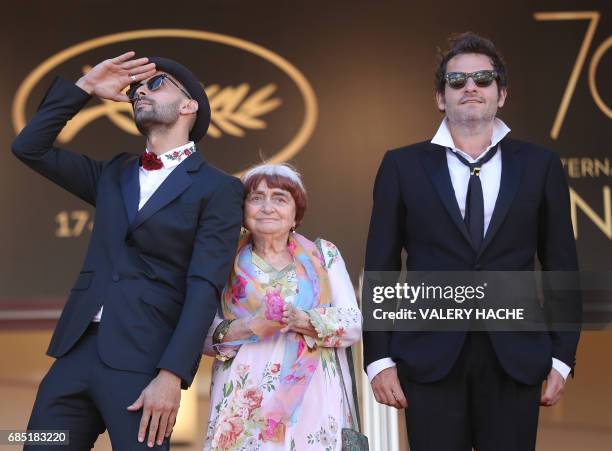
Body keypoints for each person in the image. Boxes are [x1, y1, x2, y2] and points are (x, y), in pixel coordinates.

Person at [12, 52, 244, 450]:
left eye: (155, 84)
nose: (139, 92)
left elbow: (204, 287)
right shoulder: (114, 172)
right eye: (136, 88)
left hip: (144, 363)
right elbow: (29, 147)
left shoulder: (219, 189)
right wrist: (84, 87)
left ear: (190, 105)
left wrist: (172, 375)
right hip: (74, 353)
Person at [363, 33, 581, 451]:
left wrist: (561, 357)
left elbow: (561, 267)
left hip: (515, 357)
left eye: (483, 78)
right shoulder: (401, 165)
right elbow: (381, 267)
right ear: (440, 98)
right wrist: (378, 359)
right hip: (428, 357)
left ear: (502, 93)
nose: (471, 88)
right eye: (457, 81)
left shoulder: (541, 166)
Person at [202, 163, 362, 450]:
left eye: (279, 198)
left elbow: (352, 322)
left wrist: (304, 320)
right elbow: (200, 333)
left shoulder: (324, 255)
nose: (267, 207)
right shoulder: (222, 259)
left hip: (314, 395)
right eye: (256, 197)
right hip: (245, 402)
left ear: (295, 214)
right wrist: (250, 326)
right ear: (243, 210)